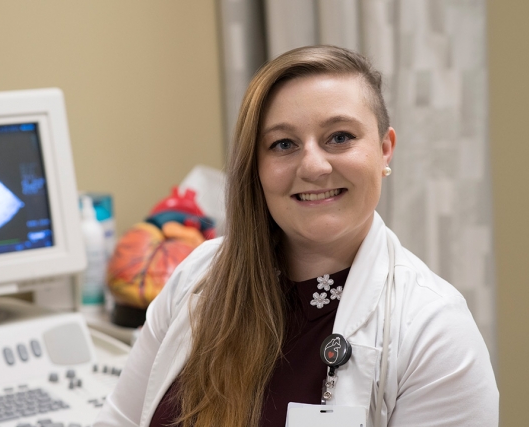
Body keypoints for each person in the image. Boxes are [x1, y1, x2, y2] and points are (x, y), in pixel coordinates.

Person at [95, 46, 498, 427]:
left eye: (340, 137)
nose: (313, 166)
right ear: (256, 165)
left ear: (385, 149)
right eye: (283, 144)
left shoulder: (436, 333)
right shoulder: (197, 277)